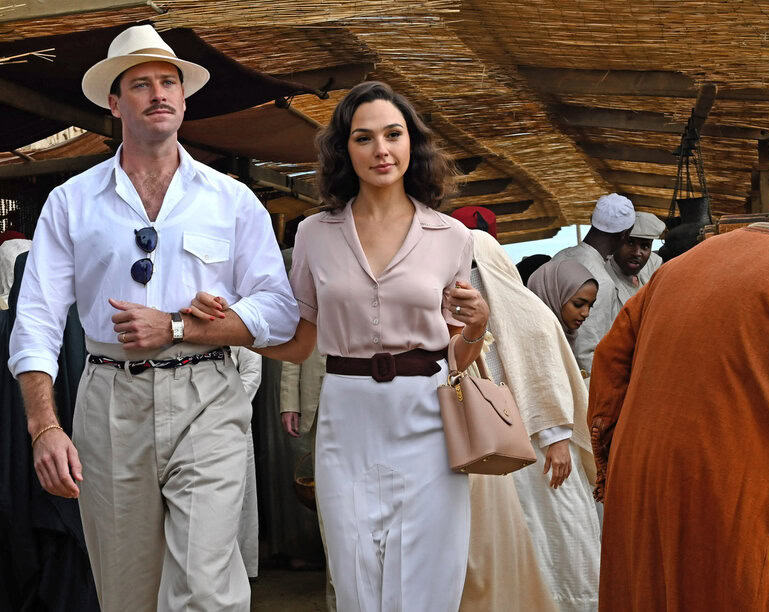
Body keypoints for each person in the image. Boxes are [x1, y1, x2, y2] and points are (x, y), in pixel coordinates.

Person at [9, 25, 299, 611]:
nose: (158, 93)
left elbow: (279, 311)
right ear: (115, 104)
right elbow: (35, 321)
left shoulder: (232, 198)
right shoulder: (71, 200)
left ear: (184, 99)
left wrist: (185, 326)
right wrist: (45, 427)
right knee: (127, 591)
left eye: (169, 82)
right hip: (109, 399)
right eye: (140, 84)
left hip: (208, 393)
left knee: (208, 588)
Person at [190, 81, 490, 611]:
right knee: (355, 578)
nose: (381, 150)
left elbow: (456, 357)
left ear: (411, 143)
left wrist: (476, 327)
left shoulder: (451, 236)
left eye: (393, 135)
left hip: (427, 415)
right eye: (364, 137)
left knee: (428, 577)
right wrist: (231, 326)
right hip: (347, 418)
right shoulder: (314, 234)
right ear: (344, 150)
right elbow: (300, 341)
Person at [587, 151, 769, 610]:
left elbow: (609, 365)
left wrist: (617, 468)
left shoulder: (677, 268)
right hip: (736, 499)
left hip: (644, 492)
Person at [463, 230, 600, 612]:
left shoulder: (529, 312)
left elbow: (546, 376)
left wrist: (556, 438)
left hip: (544, 451)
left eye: (475, 268)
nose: (470, 277)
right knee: (522, 536)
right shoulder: (459, 314)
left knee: (562, 533)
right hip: (499, 452)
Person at [527, 193, 634, 376]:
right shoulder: (601, 281)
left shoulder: (561, 256)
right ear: (624, 234)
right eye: (579, 304)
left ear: (593, 221)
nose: (584, 311)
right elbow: (586, 354)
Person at [231, 346, 262, 579]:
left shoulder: (236, 308)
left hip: (232, 418)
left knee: (238, 498)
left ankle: (240, 571)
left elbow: (252, 370)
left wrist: (227, 408)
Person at [606, 211, 664, 312]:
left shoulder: (652, 265)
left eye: (645, 246)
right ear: (617, 242)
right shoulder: (603, 280)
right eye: (630, 243)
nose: (637, 253)